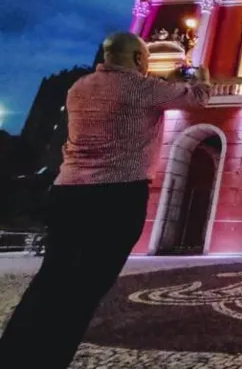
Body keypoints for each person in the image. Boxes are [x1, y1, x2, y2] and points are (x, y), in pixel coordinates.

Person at [0, 32, 211, 368]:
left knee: (51, 280)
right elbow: (198, 96)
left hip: (67, 193)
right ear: (141, 61)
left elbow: (133, 92)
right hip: (116, 196)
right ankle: (49, 359)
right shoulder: (143, 89)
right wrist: (199, 75)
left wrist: (162, 80)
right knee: (85, 290)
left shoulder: (79, 87)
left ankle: (13, 355)